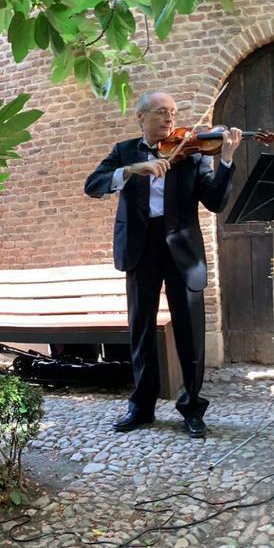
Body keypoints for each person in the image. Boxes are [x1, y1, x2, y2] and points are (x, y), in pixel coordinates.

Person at [84, 91, 241, 438]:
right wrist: (132, 169)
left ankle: (192, 406)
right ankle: (141, 408)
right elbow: (92, 186)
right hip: (141, 247)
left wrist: (226, 160)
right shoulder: (124, 151)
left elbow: (215, 201)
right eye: (160, 112)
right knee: (141, 330)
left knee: (190, 331)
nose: (169, 119)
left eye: (172, 112)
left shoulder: (194, 152)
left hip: (182, 249)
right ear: (141, 117)